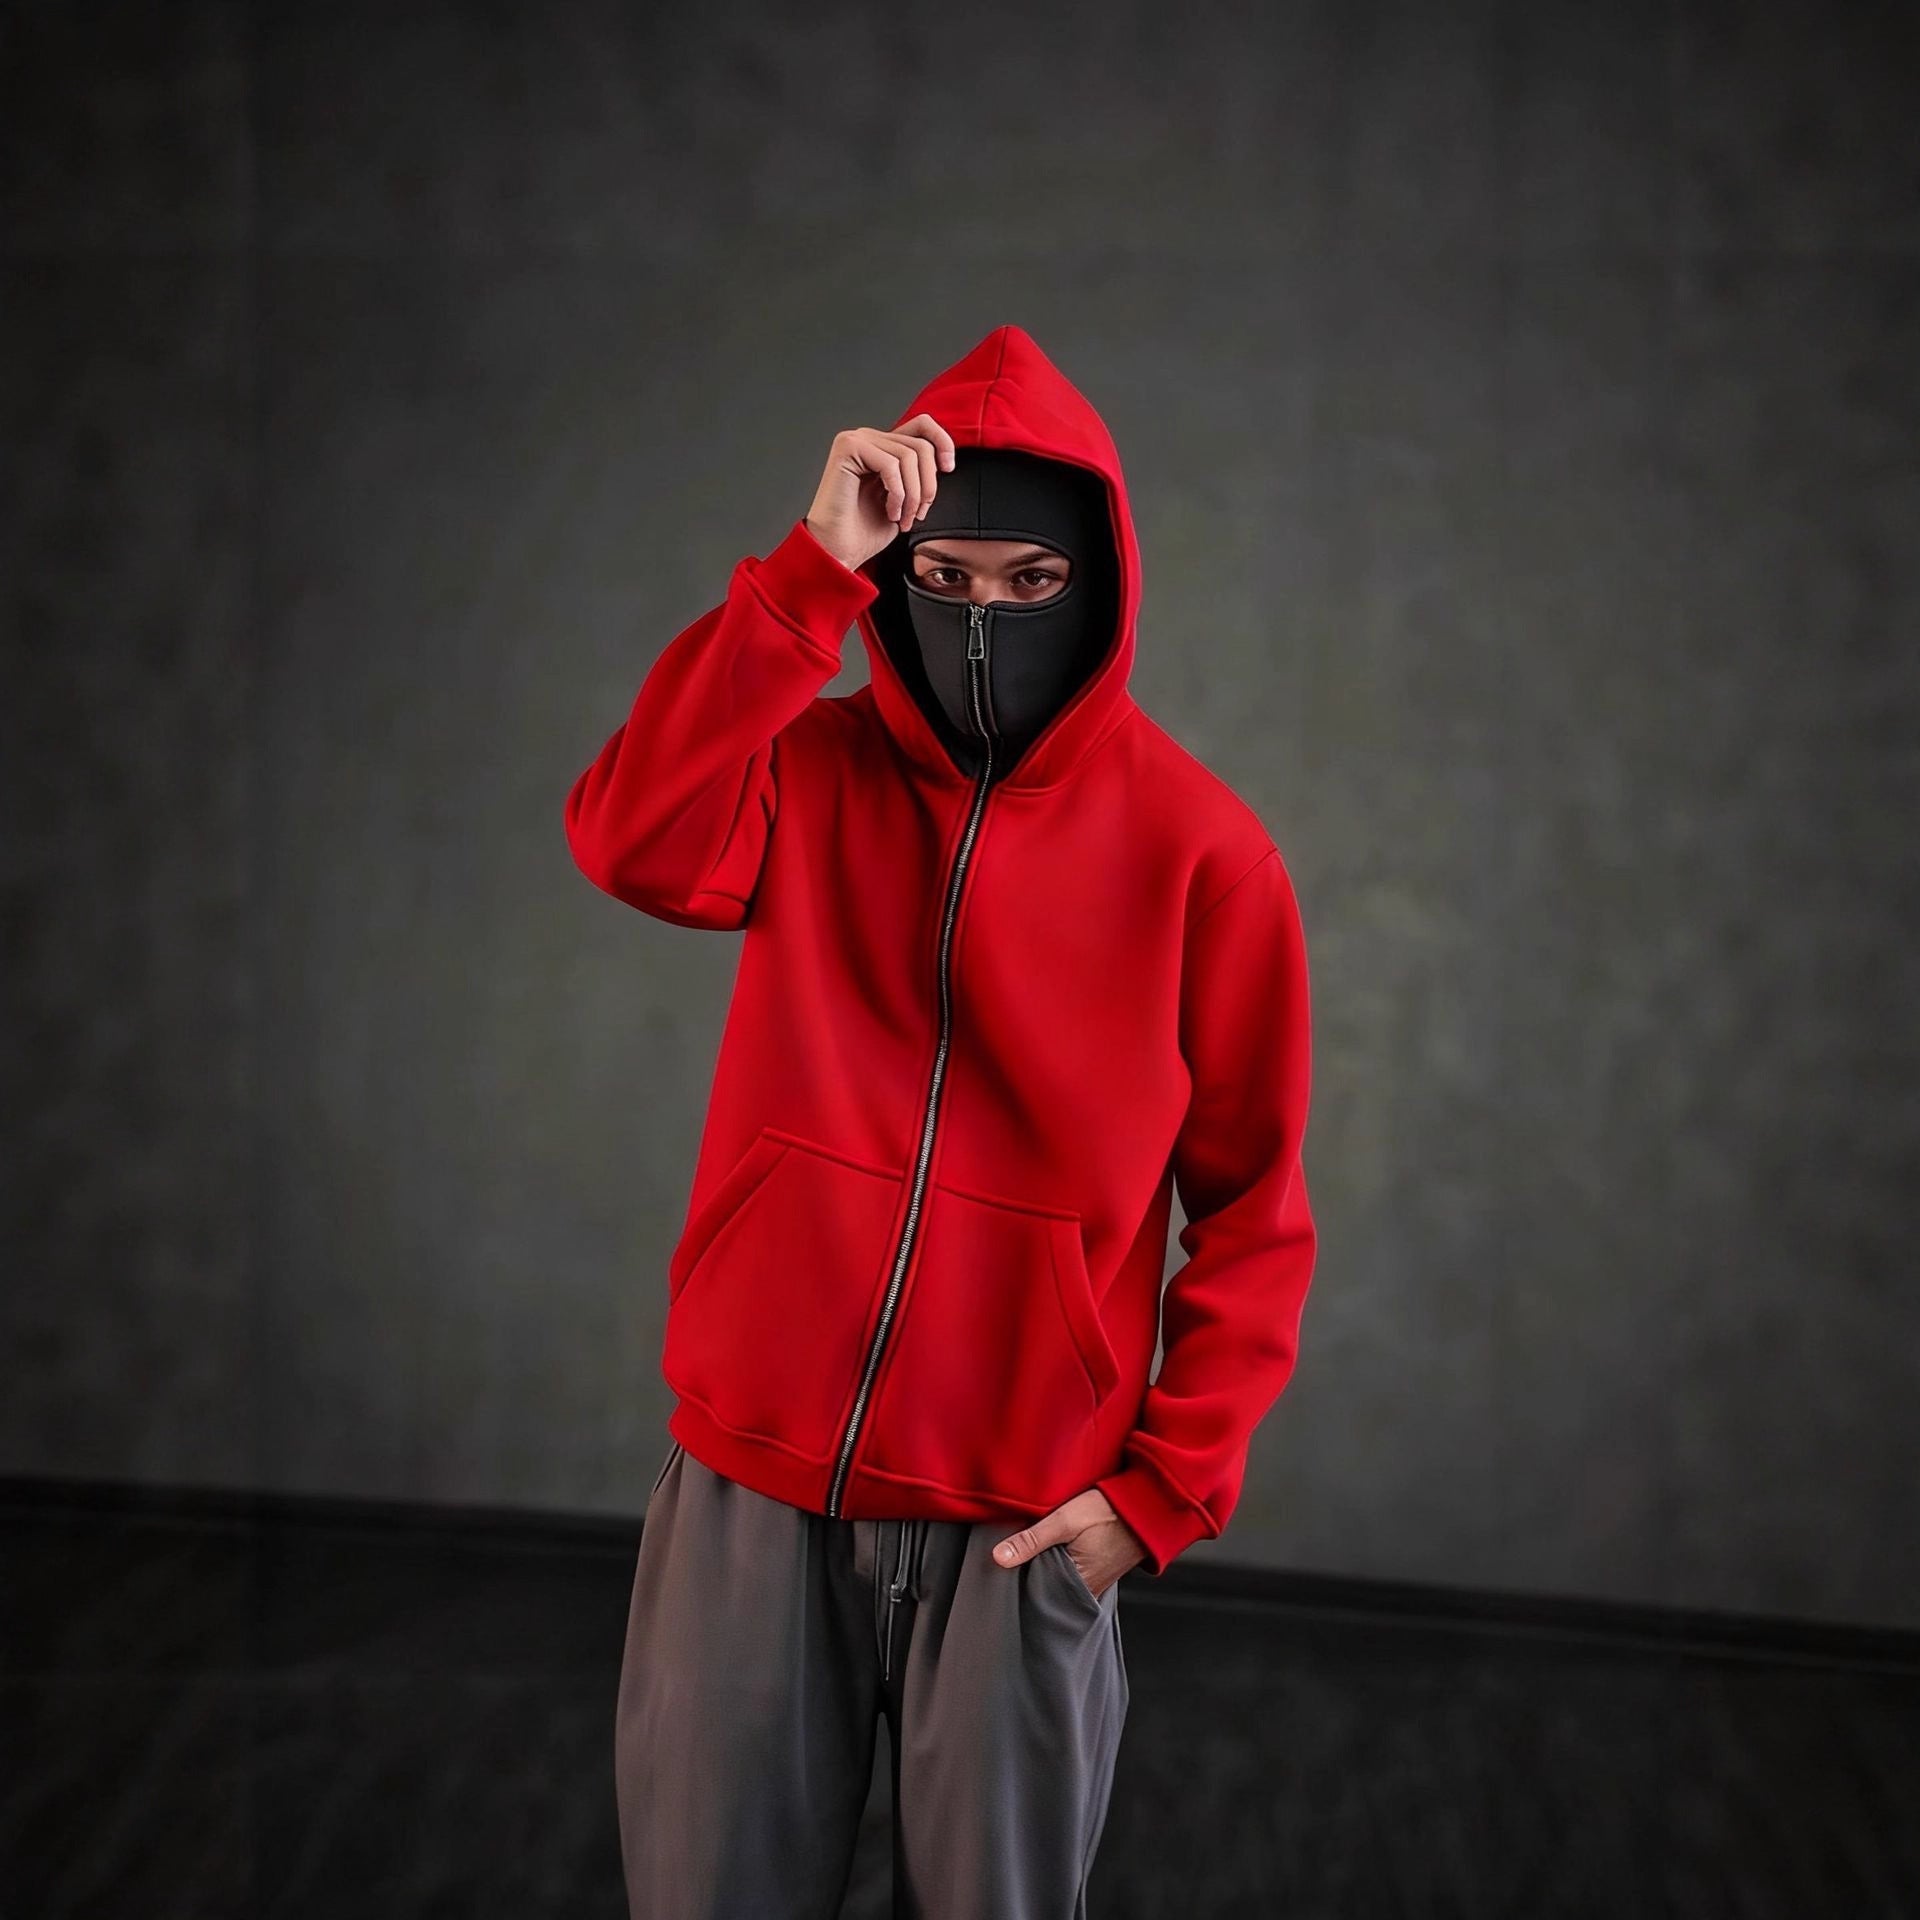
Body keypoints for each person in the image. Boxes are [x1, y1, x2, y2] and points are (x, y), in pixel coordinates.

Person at [565, 323, 1316, 1919]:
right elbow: (630, 838)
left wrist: (1161, 1493)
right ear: (895, 577)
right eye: (944, 577)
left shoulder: (1204, 853)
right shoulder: (804, 772)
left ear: (1101, 586)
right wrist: (807, 574)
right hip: (754, 1485)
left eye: (1032, 583)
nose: (985, 619)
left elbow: (1256, 1207)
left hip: (1022, 1523)